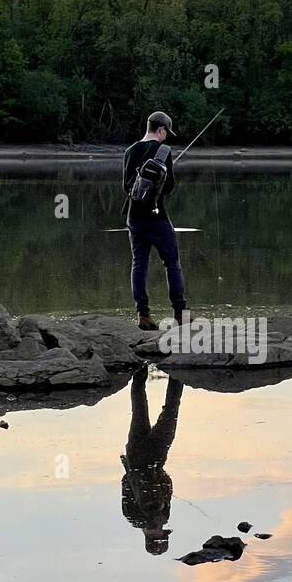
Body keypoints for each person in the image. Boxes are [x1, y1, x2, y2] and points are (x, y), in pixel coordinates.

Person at [122, 111, 188, 330]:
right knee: (172, 263)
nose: (166, 137)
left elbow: (126, 186)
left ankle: (143, 315)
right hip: (156, 215)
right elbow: (168, 187)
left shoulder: (130, 150)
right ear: (161, 130)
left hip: (134, 216)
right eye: (166, 132)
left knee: (138, 264)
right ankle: (180, 315)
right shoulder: (163, 150)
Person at [120, 369, 184, 555]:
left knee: (171, 410)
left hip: (155, 456)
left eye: (160, 534)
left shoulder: (150, 516)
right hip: (135, 455)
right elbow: (126, 482)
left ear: (154, 536)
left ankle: (176, 371)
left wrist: (158, 474)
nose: (161, 529)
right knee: (139, 407)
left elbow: (167, 487)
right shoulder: (132, 517)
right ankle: (140, 366)